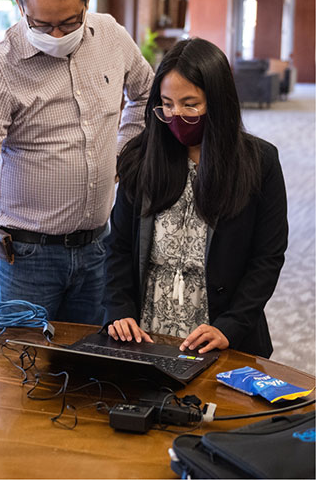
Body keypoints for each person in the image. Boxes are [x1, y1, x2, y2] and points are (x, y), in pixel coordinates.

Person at [0, 0, 154, 323]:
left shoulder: (111, 36)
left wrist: (121, 155)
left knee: (93, 370)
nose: (56, 34)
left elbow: (146, 95)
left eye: (69, 22)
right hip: (28, 258)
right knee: (18, 371)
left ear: (87, 0)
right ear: (21, 6)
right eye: (41, 24)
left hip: (98, 249)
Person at [102, 37, 288, 358]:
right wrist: (119, 309)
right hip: (147, 334)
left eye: (190, 104)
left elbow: (267, 258)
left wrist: (230, 326)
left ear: (217, 102)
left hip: (219, 337)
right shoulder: (141, 156)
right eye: (167, 103)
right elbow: (118, 246)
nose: (176, 115)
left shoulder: (260, 162)